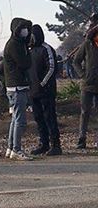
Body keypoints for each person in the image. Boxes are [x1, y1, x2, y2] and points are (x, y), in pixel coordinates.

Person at [1, 18, 33, 161]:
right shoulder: (15, 46)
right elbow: (25, 63)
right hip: (17, 86)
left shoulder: (18, 44)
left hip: (15, 86)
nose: (25, 32)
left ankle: (11, 147)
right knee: (20, 120)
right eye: (22, 29)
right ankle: (16, 149)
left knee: (15, 119)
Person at [28, 24, 61, 156]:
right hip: (33, 91)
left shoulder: (46, 49)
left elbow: (52, 68)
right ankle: (44, 143)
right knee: (38, 118)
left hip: (46, 90)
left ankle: (56, 145)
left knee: (50, 117)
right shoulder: (29, 50)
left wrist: (42, 83)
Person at [73, 24, 98, 149]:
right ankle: (81, 139)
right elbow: (76, 61)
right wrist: (83, 75)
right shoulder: (87, 45)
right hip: (87, 84)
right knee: (84, 112)